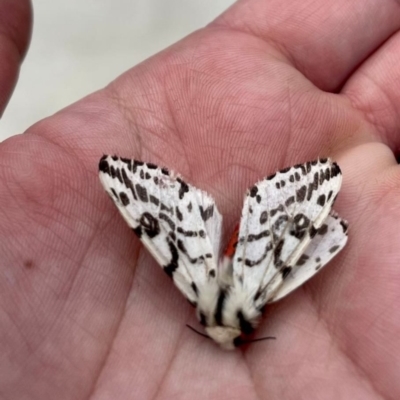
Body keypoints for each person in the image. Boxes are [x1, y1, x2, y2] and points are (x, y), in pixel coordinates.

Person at [1, 0, 399, 398]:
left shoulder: (233, 297)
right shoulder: (232, 297)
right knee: (289, 255)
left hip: (238, 260)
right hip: (255, 261)